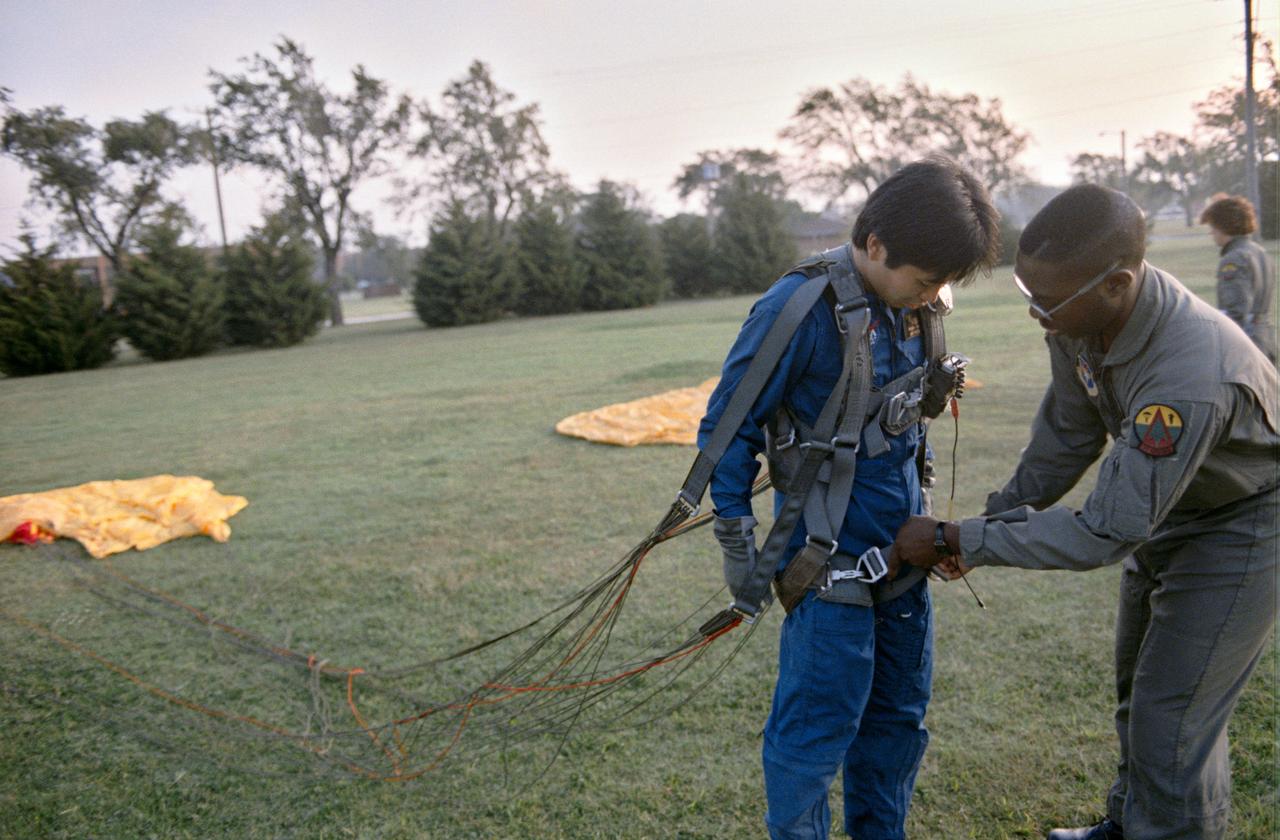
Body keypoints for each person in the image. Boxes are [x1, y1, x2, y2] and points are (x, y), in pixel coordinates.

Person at [891, 184, 1279, 840]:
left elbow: (1108, 530)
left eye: (1047, 301)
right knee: (1137, 691)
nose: (1036, 313)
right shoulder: (1082, 319)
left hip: (1241, 525)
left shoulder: (1189, 375)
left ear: (1117, 283)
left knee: (1173, 719)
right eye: (1026, 294)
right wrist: (996, 516)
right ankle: (1128, 825)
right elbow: (1067, 436)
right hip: (1175, 506)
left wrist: (961, 536)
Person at [697, 157, 999, 840]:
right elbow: (727, 434)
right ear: (875, 244)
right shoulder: (796, 309)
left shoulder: (916, 308)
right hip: (825, 574)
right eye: (922, 282)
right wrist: (737, 546)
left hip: (903, 567)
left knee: (895, 729)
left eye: (941, 288)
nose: (930, 299)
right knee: (810, 742)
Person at [1199, 194, 1276, 362]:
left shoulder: (1233, 259)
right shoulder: (1260, 252)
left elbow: (1235, 313)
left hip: (1246, 346)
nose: (1211, 232)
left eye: (1213, 226)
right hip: (1266, 340)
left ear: (1224, 226)